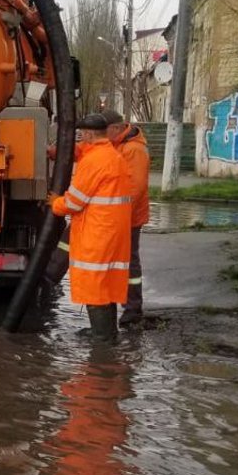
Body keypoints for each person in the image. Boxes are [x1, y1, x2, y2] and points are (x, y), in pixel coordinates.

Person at [49, 113, 132, 339]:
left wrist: (55, 203)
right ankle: (106, 331)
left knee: (95, 285)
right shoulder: (111, 156)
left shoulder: (93, 161)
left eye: (82, 135)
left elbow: (74, 202)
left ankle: (102, 338)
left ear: (87, 134)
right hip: (112, 231)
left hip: (97, 233)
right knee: (106, 284)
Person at [101, 109, 150, 324]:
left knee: (129, 263)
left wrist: (115, 213)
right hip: (117, 217)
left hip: (128, 218)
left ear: (117, 128)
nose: (102, 136)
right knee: (119, 262)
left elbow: (134, 189)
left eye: (104, 131)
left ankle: (132, 309)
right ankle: (119, 304)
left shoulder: (134, 150)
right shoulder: (117, 144)